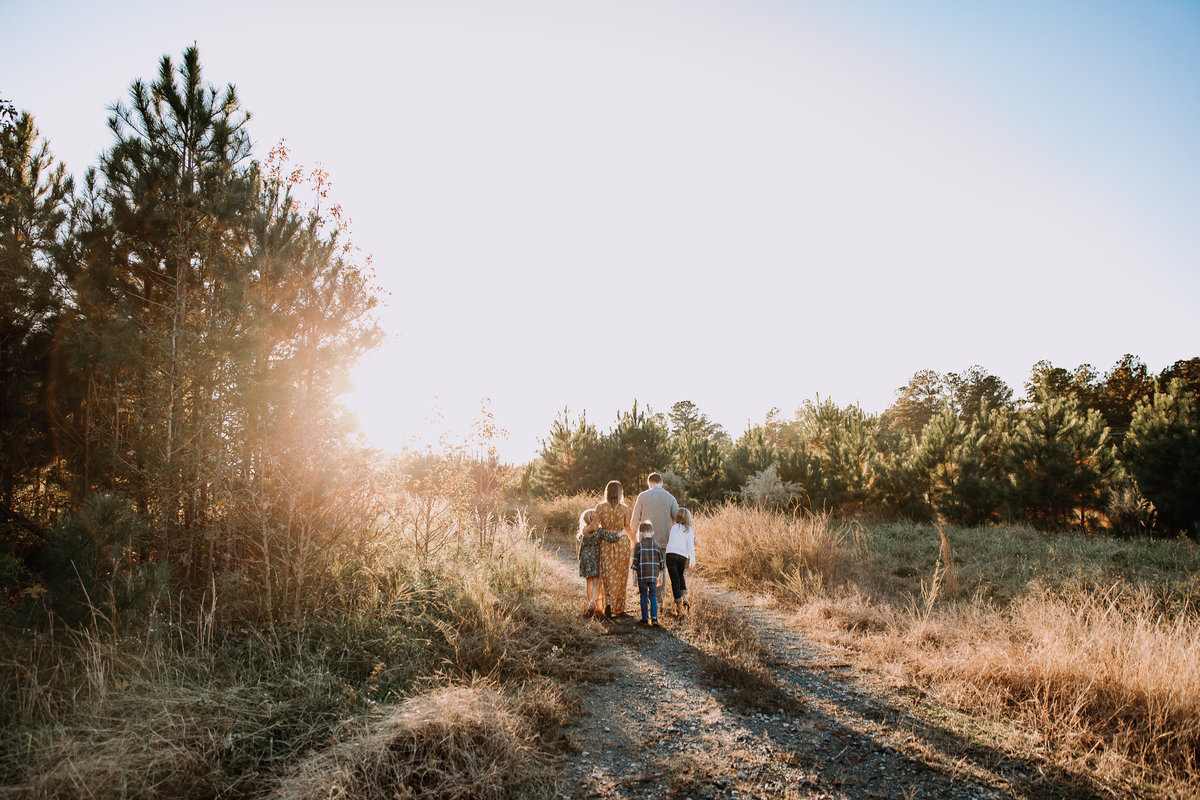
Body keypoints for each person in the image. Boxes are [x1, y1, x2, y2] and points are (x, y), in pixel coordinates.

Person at [594, 480, 633, 617]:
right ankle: (618, 606)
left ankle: (608, 604)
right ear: (620, 493)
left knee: (607, 575)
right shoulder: (624, 509)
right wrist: (634, 542)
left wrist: (584, 531)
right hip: (622, 545)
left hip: (606, 544)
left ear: (607, 492)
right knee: (620, 575)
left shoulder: (600, 507)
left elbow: (594, 526)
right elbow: (627, 528)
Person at [630, 472, 679, 549]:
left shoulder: (642, 496)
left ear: (649, 483)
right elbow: (680, 520)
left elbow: (635, 519)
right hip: (665, 544)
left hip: (645, 543)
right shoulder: (671, 498)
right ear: (662, 483)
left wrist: (633, 540)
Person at [630, 521, 665, 626]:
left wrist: (634, 579)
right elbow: (662, 564)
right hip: (653, 576)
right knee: (653, 596)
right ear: (652, 532)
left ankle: (645, 618)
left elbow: (635, 564)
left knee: (643, 596)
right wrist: (660, 577)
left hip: (642, 576)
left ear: (640, 533)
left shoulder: (638, 546)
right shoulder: (657, 546)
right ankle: (654, 618)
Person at [665, 508, 696, 617]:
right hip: (682, 556)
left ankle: (679, 607)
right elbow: (691, 546)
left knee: (675, 580)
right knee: (680, 575)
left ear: (677, 517)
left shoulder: (674, 527)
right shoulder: (690, 530)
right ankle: (685, 598)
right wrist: (693, 561)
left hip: (671, 554)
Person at [576, 508, 605, 616]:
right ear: (593, 518)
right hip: (595, 558)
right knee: (596, 582)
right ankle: (593, 602)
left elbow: (582, 547)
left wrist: (580, 560)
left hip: (586, 558)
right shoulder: (599, 531)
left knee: (589, 582)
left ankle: (590, 603)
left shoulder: (584, 531)